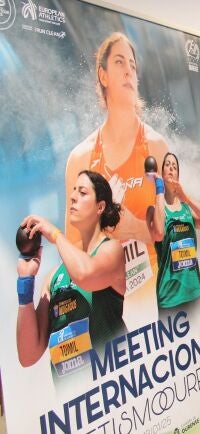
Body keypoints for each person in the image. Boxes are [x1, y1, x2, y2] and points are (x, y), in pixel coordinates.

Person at [65, 32, 169, 320]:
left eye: (132, 66)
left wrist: (135, 228)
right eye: (120, 62)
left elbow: (178, 231)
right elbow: (73, 247)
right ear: (103, 75)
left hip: (157, 299)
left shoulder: (156, 147)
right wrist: (105, 237)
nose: (128, 71)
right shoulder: (81, 158)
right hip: (107, 306)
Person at [16, 170, 126, 379]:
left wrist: (56, 235)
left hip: (114, 388)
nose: (73, 196)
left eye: (82, 192)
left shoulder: (112, 250)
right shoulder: (54, 277)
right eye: (73, 191)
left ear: (100, 207)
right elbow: (28, 356)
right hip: (75, 395)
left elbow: (85, 275)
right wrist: (25, 282)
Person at [149, 153, 200, 315]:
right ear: (161, 173)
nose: (171, 168)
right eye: (167, 165)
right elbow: (158, 234)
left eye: (175, 166)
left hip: (194, 292)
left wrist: (187, 199)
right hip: (170, 298)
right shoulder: (153, 210)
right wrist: (159, 189)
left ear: (178, 174)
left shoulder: (186, 209)